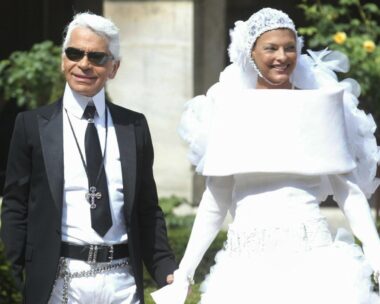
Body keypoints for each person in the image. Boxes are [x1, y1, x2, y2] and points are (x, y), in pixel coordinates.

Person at [151, 7, 380, 304]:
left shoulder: (319, 105)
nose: (281, 57)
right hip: (247, 266)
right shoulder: (230, 109)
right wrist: (185, 271)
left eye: (289, 48)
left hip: (315, 264)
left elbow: (348, 193)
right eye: (271, 48)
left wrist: (376, 256)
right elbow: (215, 199)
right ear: (251, 53)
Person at [0, 12, 176, 304]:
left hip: (122, 282)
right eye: (75, 53)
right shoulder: (31, 125)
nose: (84, 64)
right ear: (63, 60)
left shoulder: (133, 126)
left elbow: (147, 208)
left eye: (97, 57)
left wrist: (165, 267)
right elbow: (15, 204)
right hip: (59, 281)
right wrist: (12, 271)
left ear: (114, 68)